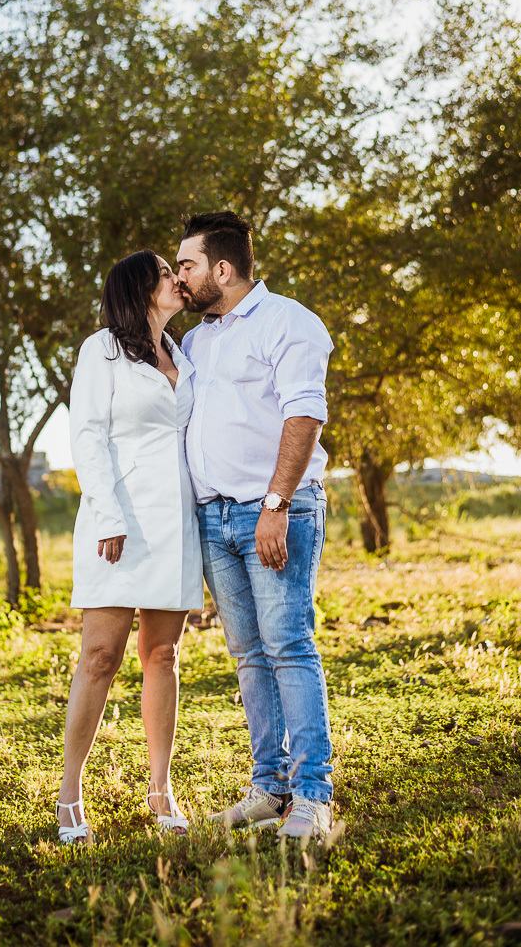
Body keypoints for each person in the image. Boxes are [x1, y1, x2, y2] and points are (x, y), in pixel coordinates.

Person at [177, 211, 334, 841]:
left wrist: (275, 504)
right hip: (214, 518)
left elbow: (304, 416)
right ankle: (269, 789)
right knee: (247, 655)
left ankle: (314, 797)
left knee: (288, 646)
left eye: (186, 265)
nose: (179, 277)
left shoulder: (288, 322)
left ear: (222, 268)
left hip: (273, 511)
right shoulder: (194, 342)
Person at [56, 249, 203, 844]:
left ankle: (161, 789)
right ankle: (70, 795)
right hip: (117, 522)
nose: (178, 279)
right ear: (141, 289)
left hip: (177, 524)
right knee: (100, 656)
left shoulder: (185, 354)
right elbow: (86, 437)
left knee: (162, 655)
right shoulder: (102, 351)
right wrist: (107, 517)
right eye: (167, 273)